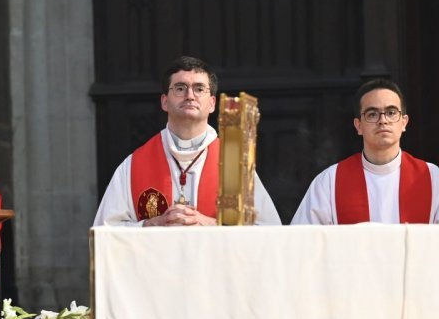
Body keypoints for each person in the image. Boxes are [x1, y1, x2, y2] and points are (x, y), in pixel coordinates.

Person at [93, 55, 280, 226]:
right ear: (164, 102)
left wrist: (210, 224)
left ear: (212, 103)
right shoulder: (134, 165)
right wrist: (152, 224)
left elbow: (268, 231)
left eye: (199, 89)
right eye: (180, 88)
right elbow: (105, 232)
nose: (190, 95)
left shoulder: (236, 164)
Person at [292, 78, 439, 224]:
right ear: (358, 126)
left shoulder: (432, 177)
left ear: (403, 122)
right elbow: (303, 240)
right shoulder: (330, 181)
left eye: (391, 112)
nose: (383, 120)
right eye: (372, 114)